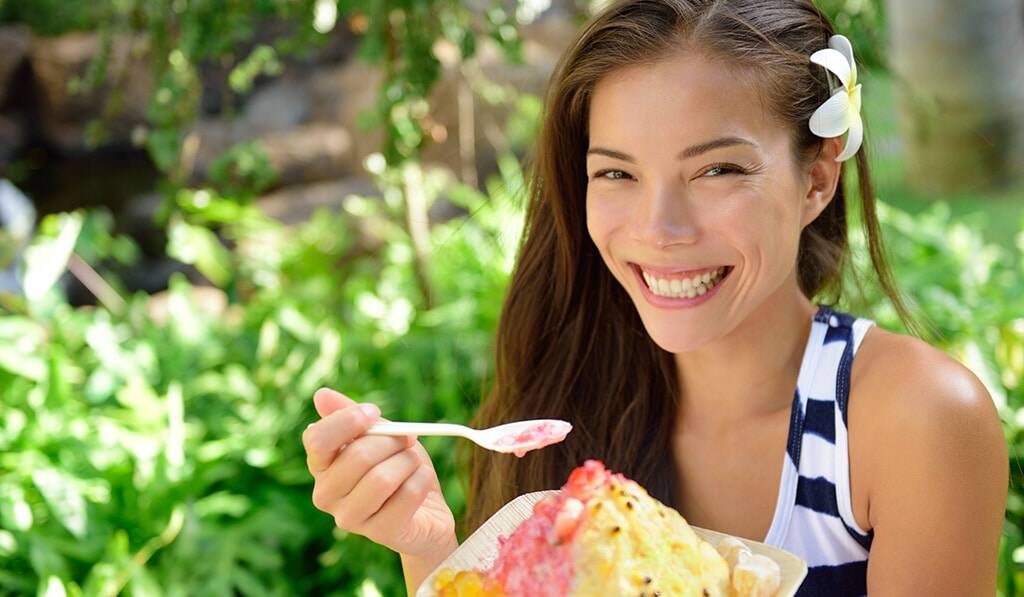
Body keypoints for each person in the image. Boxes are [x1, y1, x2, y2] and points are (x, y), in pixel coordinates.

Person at [301, 1, 1008, 594]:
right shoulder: (572, 390)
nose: (659, 230)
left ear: (817, 182)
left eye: (717, 170)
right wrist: (433, 552)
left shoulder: (913, 421)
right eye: (617, 174)